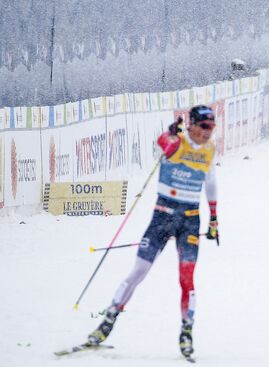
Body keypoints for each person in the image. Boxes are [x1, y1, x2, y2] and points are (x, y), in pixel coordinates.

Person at [87, 105, 220, 359]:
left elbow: (211, 183)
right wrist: (171, 132)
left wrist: (214, 218)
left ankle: (186, 332)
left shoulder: (210, 150)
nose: (208, 133)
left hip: (190, 220)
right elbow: (164, 143)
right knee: (139, 271)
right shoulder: (176, 142)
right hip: (163, 216)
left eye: (212, 128)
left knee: (187, 279)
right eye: (203, 127)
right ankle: (108, 320)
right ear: (191, 125)